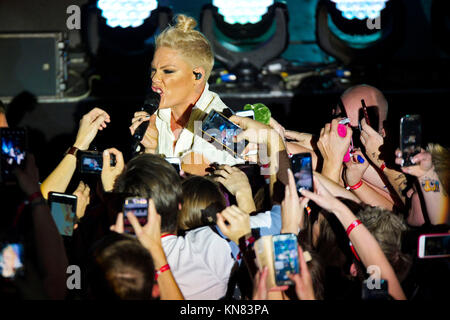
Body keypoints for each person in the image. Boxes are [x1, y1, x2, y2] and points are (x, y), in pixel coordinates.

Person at [129, 15, 244, 176]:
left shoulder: (221, 125)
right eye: (153, 70)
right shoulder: (152, 115)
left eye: (167, 71)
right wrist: (149, 150)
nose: (154, 78)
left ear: (197, 76)